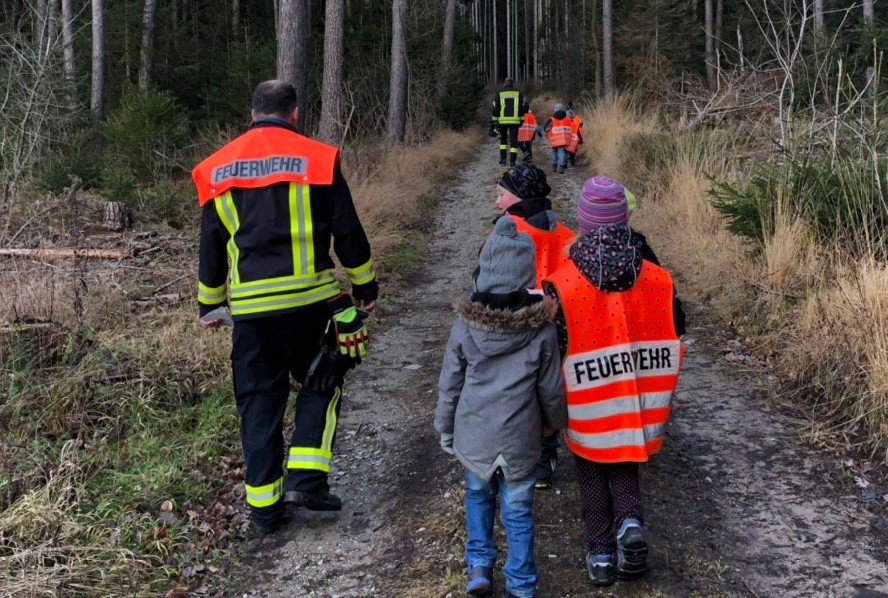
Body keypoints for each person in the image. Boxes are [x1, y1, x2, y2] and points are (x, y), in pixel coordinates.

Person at [192, 80, 379, 535]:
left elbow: (212, 246)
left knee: (258, 402)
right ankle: (307, 480)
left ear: (251, 114)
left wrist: (210, 304)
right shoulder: (318, 158)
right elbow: (346, 229)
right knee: (323, 377)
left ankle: (265, 511)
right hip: (310, 302)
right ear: (295, 114)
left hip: (252, 310)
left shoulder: (215, 169)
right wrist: (364, 284)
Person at [542, 176, 686, 587]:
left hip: (587, 405)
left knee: (590, 475)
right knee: (626, 463)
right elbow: (677, 327)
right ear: (623, 219)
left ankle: (601, 556)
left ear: (584, 222)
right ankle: (630, 525)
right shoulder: (658, 277)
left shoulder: (561, 281)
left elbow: (554, 346)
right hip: (639, 398)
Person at [436, 217, 567, 598]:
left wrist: (446, 427)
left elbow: (450, 385)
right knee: (519, 510)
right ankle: (522, 584)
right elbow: (551, 390)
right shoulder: (541, 330)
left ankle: (479, 566)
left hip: (475, 435)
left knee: (477, 495)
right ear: (527, 275)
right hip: (521, 437)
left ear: (484, 272)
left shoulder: (465, 327)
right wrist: (552, 426)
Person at [492, 77, 526, 166]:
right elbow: (521, 108)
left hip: (502, 121)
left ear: (504, 83)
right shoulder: (518, 93)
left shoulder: (499, 93)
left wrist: (494, 121)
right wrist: (521, 119)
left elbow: (496, 108)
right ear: (512, 84)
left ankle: (503, 160)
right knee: (514, 140)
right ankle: (512, 161)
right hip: (514, 121)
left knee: (503, 140)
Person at [543, 103, 571, 174]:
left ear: (555, 110)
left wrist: (549, 132)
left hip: (554, 139)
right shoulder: (567, 119)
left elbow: (545, 128)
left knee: (554, 152)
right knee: (562, 151)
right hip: (563, 139)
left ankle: (554, 167)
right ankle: (561, 167)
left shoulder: (552, 119)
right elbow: (571, 128)